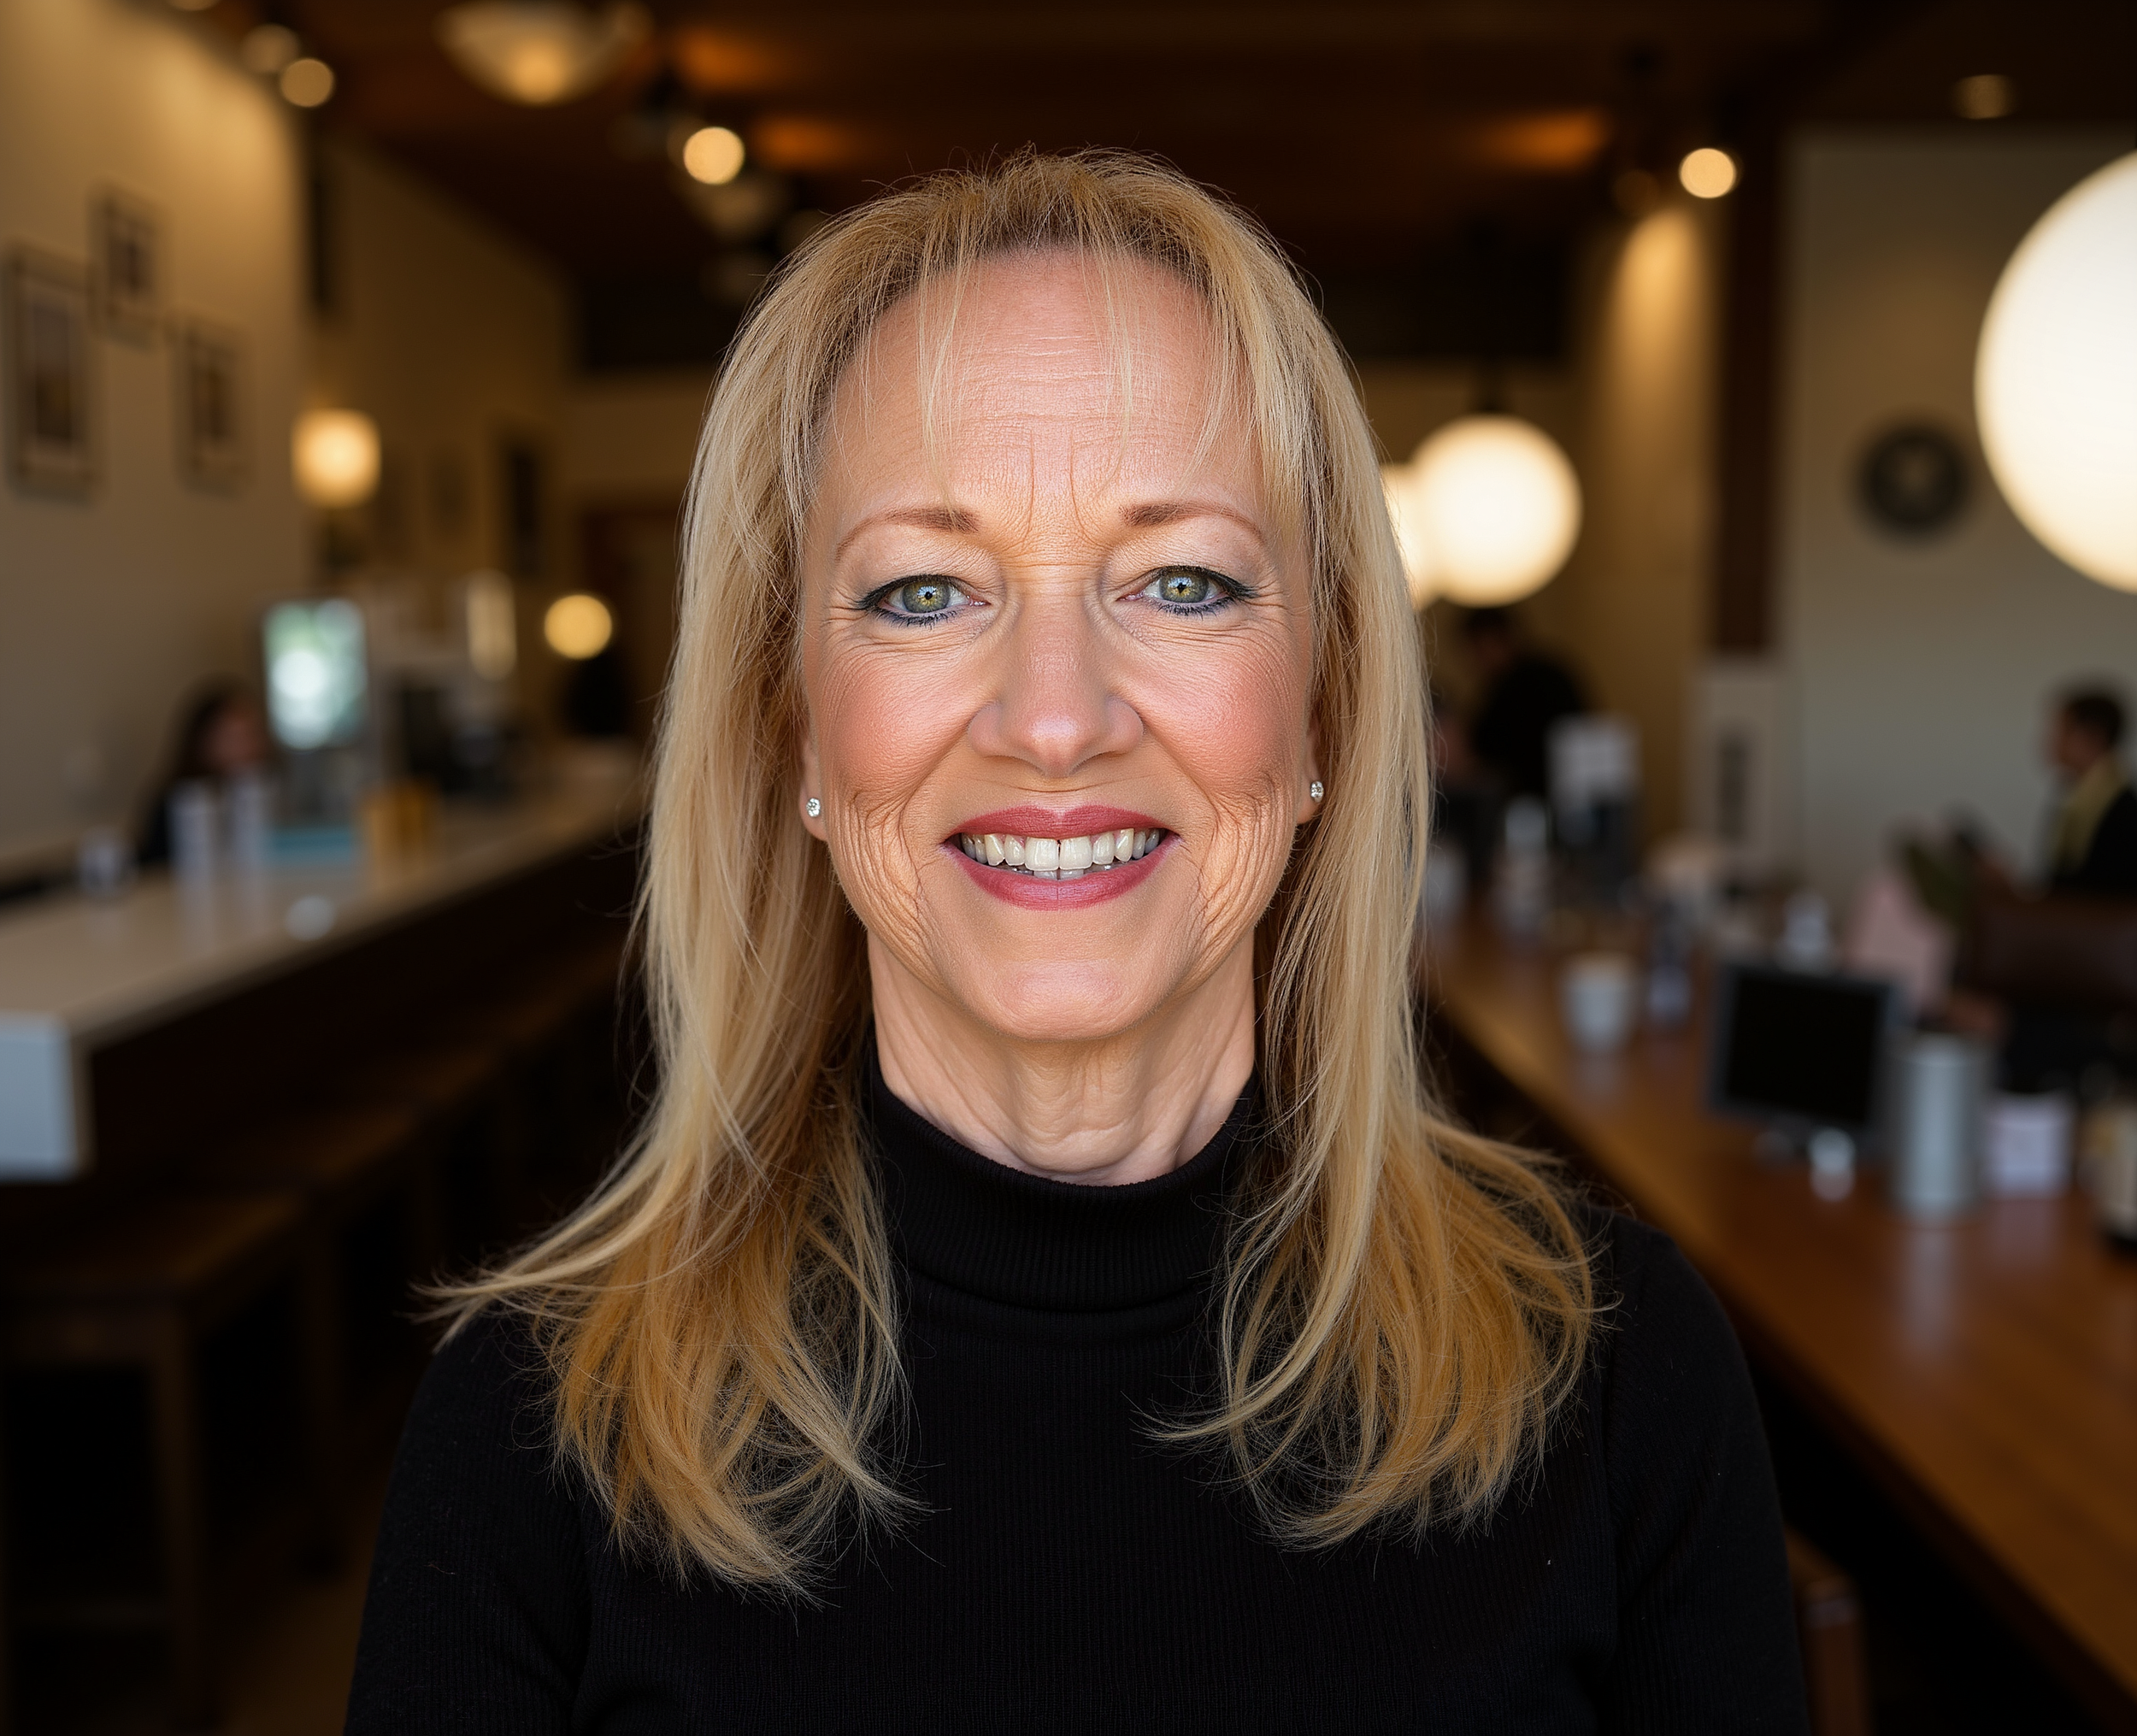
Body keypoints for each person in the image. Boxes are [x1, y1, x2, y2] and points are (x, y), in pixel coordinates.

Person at [347, 153, 1804, 1731]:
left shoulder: (1620, 1376)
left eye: (1180, 581)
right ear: (797, 738)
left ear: (1326, 704)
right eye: (922, 591)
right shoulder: (531, 1431)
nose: (1055, 720)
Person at [133, 678, 270, 867]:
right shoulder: (176, 800)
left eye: (255, 733)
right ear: (204, 741)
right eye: (238, 736)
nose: (252, 746)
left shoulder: (264, 792)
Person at [1462, 604, 1588, 799]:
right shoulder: (1547, 674)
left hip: (1544, 797)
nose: (1477, 660)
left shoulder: (1519, 686)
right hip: (1567, 795)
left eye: (1478, 649)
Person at [2044, 686, 2137, 896]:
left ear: (2094, 736)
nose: (2052, 742)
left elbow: (2092, 899)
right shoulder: (2078, 802)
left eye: (2062, 731)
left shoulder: (2123, 813)